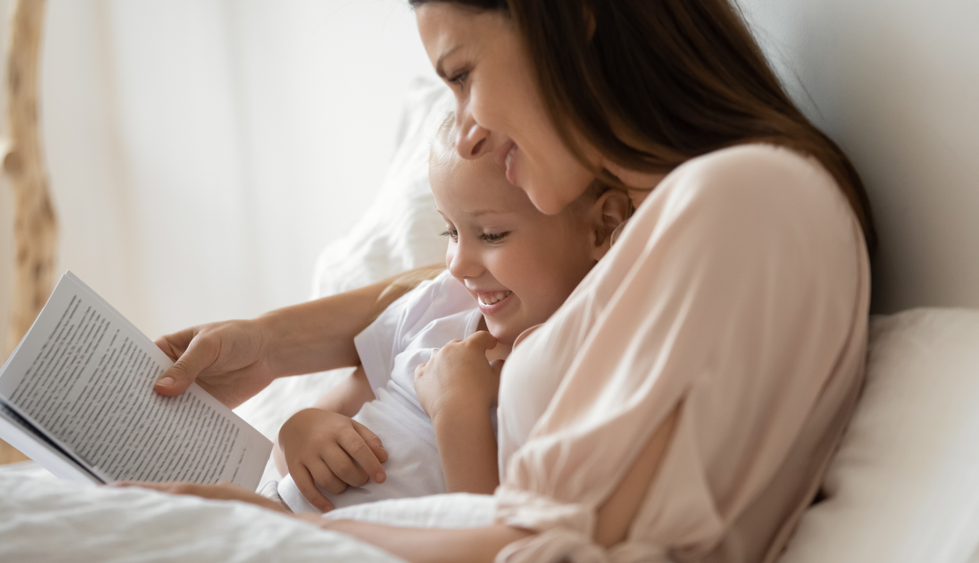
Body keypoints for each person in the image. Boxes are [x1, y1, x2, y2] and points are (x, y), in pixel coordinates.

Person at [135, 1, 875, 562]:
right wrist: (269, 345)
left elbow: (552, 543)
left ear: (571, 23)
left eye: (462, 75)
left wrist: (270, 529)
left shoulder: (750, 197)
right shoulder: (649, 240)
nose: (464, 133)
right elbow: (452, 288)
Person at [271, 115, 630, 513]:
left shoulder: (580, 380)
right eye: (451, 232)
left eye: (491, 234)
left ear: (603, 227)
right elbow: (302, 442)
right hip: (272, 513)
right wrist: (297, 432)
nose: (457, 265)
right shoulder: (439, 309)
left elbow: (490, 532)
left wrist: (457, 412)